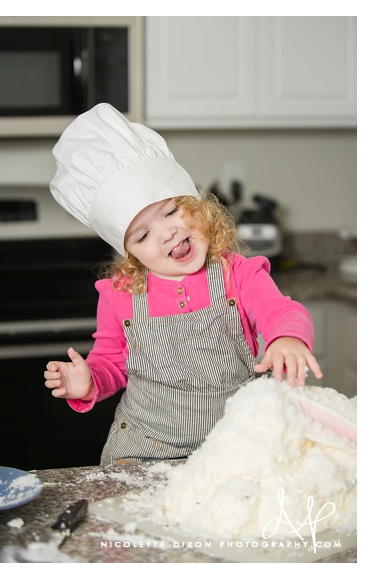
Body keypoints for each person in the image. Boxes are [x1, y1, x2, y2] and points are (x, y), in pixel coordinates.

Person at [44, 103, 322, 465]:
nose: (167, 232)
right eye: (143, 235)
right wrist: (90, 382)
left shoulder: (238, 272)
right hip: (144, 450)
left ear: (196, 205)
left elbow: (279, 310)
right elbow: (112, 362)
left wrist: (287, 337)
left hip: (235, 442)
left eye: (172, 211)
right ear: (130, 253)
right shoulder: (119, 294)